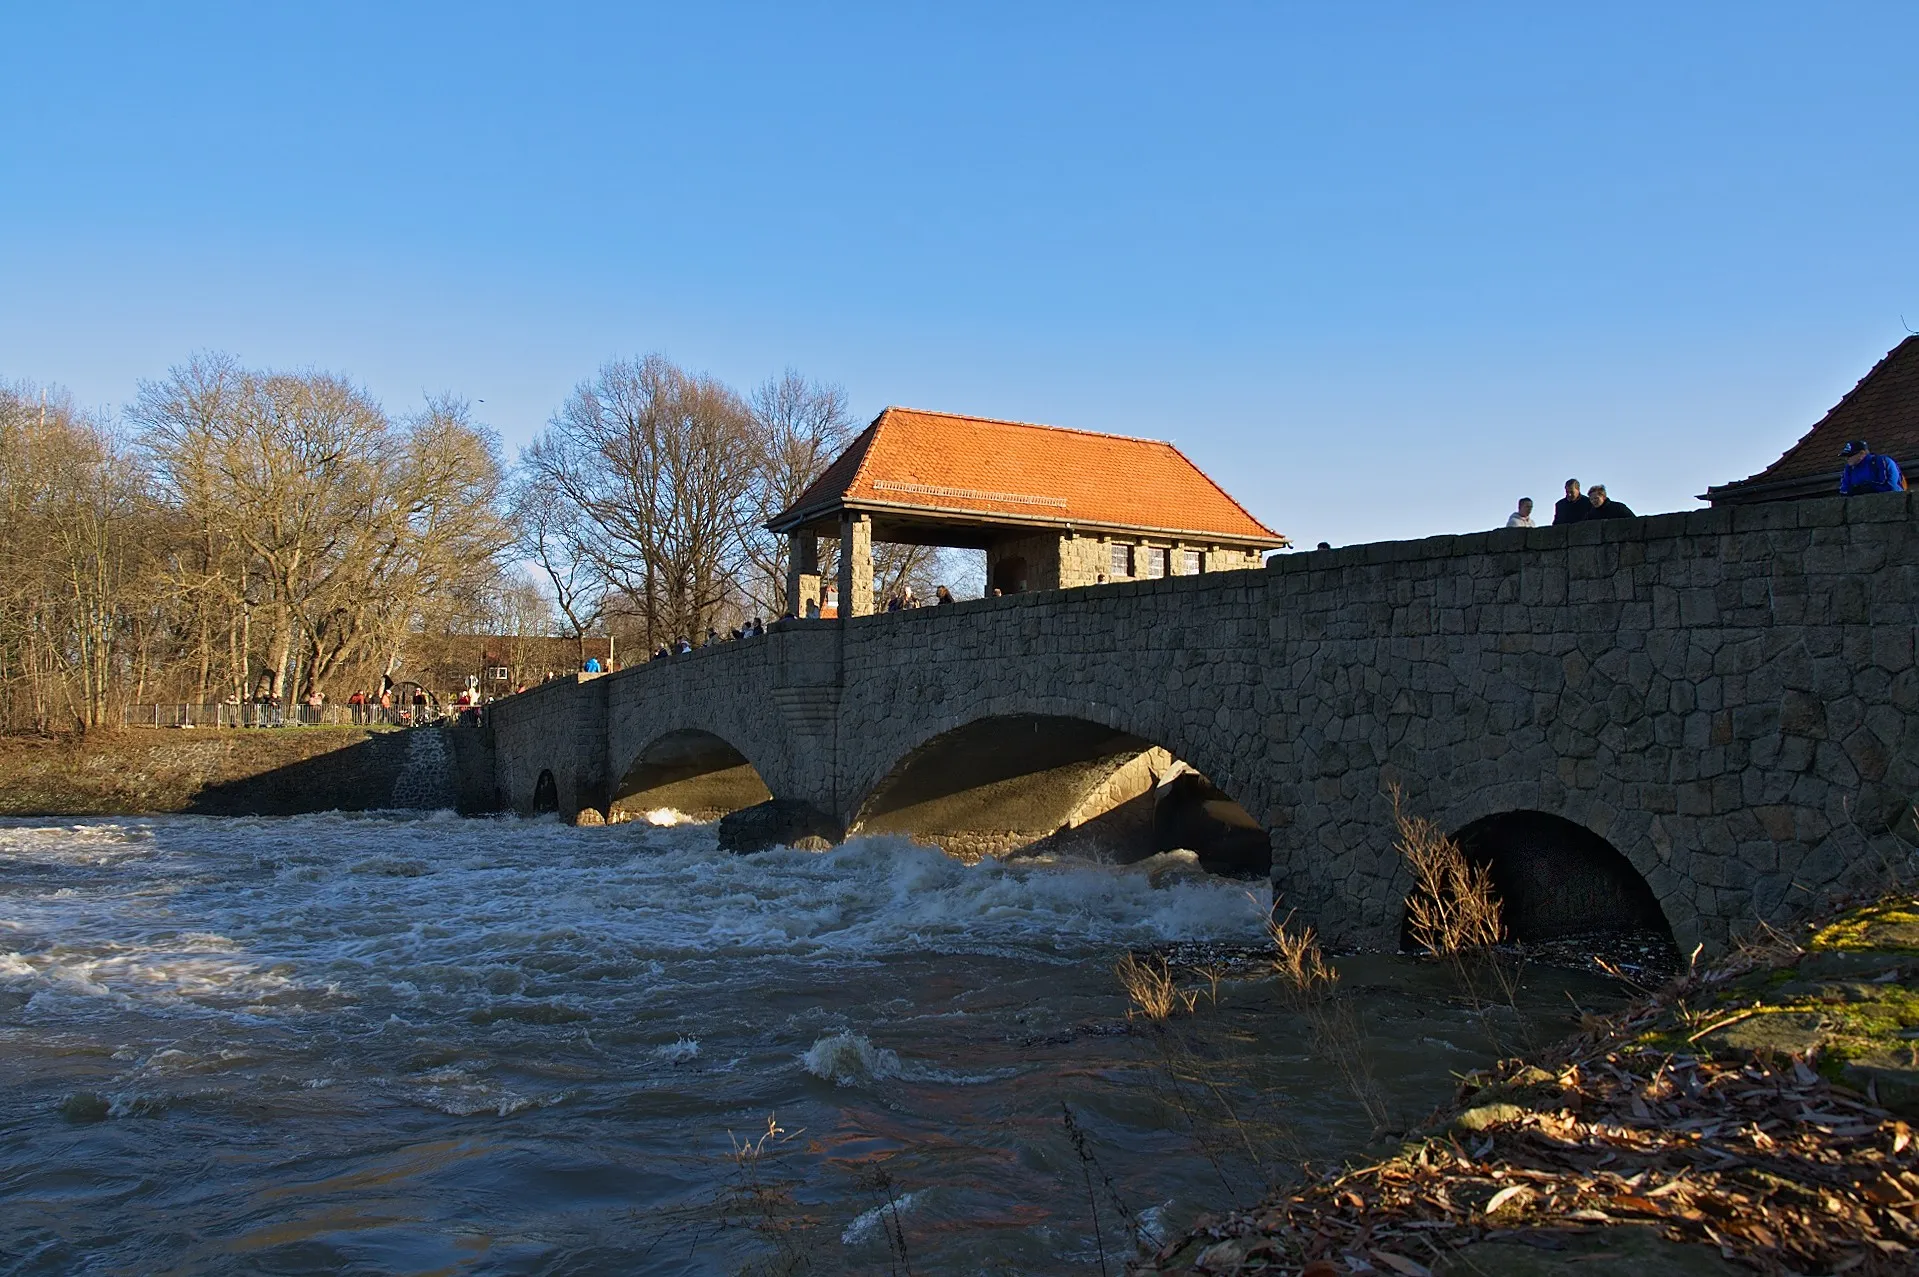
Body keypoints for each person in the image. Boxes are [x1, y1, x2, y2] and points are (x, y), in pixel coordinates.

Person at [1839, 439, 1906, 495]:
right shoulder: (1849, 469)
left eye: (1850, 455)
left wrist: (1867, 488)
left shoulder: (1881, 461)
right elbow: (1843, 491)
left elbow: (1891, 487)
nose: (1847, 459)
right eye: (1845, 456)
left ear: (1862, 453)